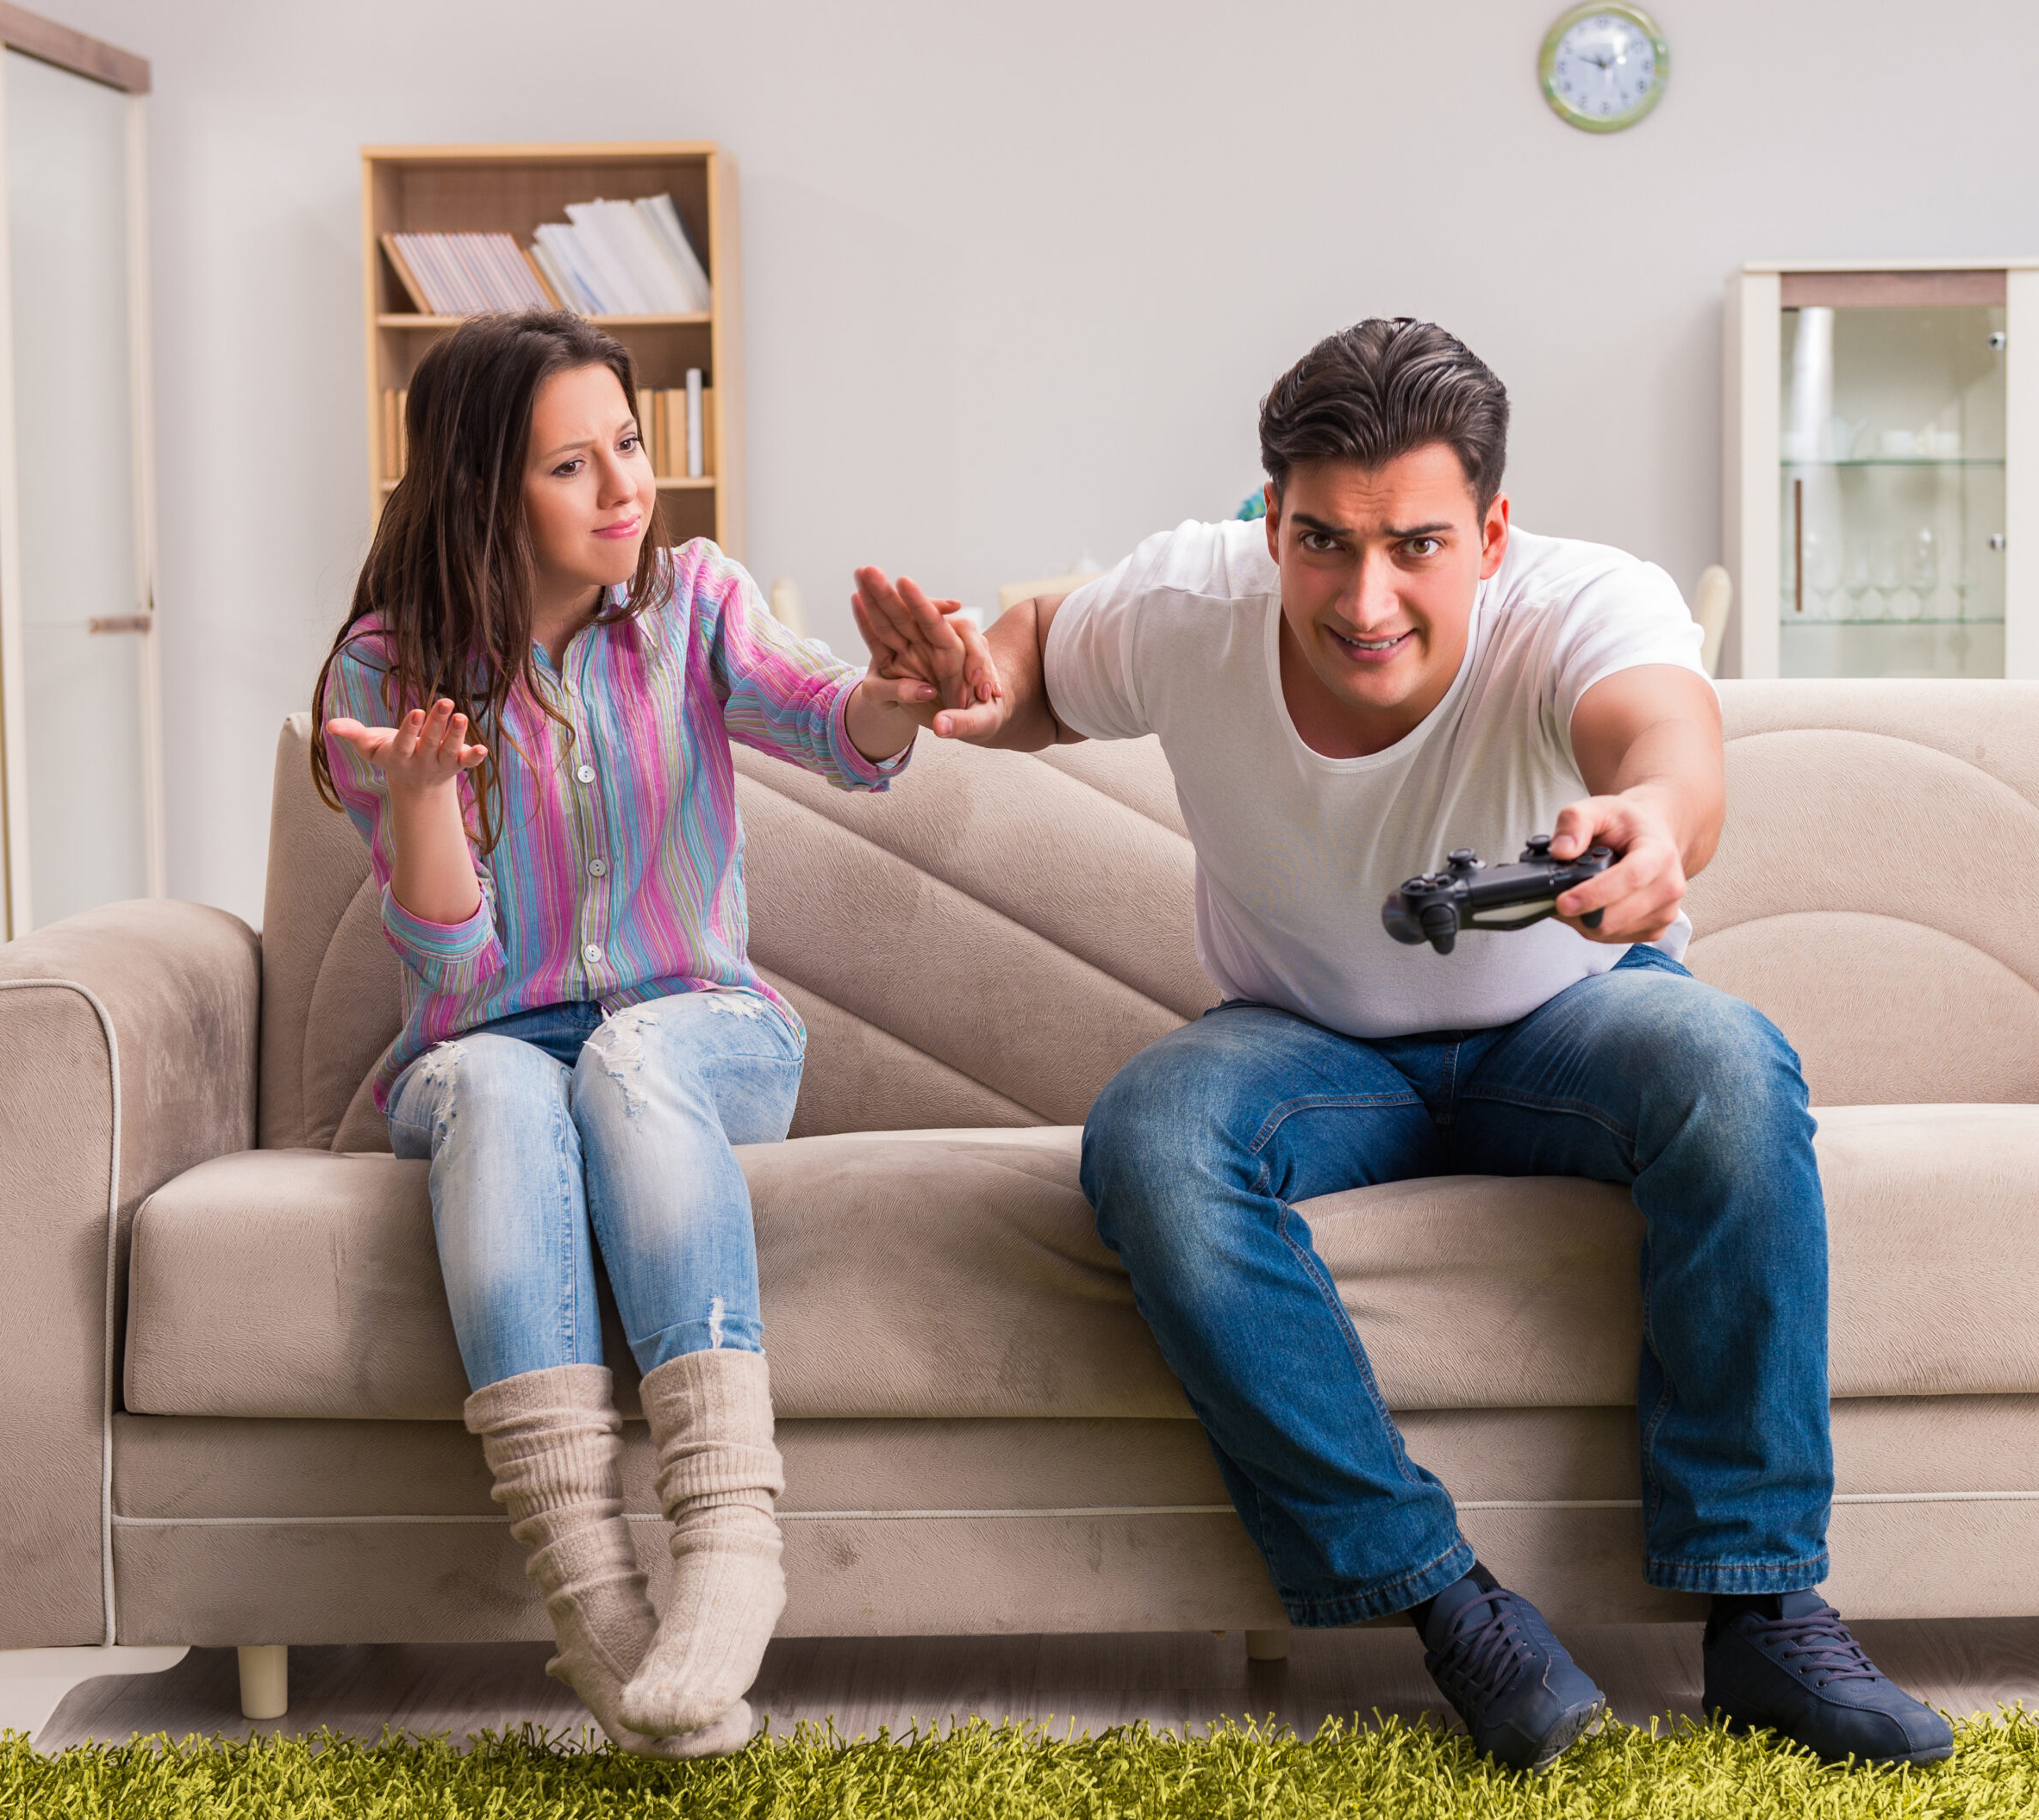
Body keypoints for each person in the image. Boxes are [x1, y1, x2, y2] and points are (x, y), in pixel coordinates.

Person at [850, 318, 1954, 1773]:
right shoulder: (1198, 597)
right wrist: (984, 683)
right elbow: (1045, 652)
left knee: (1735, 1070)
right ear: (1271, 520)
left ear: (1492, 533)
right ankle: (1444, 1603)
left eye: (1418, 546)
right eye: (1322, 543)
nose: (1365, 598)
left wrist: (1656, 822)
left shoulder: (1582, 602)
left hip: (1568, 1020)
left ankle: (1761, 1613)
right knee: (1153, 1141)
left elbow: (1664, 739)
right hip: (1306, 1045)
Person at [311, 312, 938, 1756]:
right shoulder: (386, 671)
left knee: (628, 1053)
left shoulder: (695, 603)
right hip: (488, 1054)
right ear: (482, 490)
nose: (625, 489)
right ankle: (593, 1596)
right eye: (572, 465)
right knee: (499, 1077)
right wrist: (418, 804)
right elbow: (455, 965)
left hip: (700, 1033)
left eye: (631, 446)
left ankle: (728, 1540)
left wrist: (895, 698)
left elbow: (836, 731)